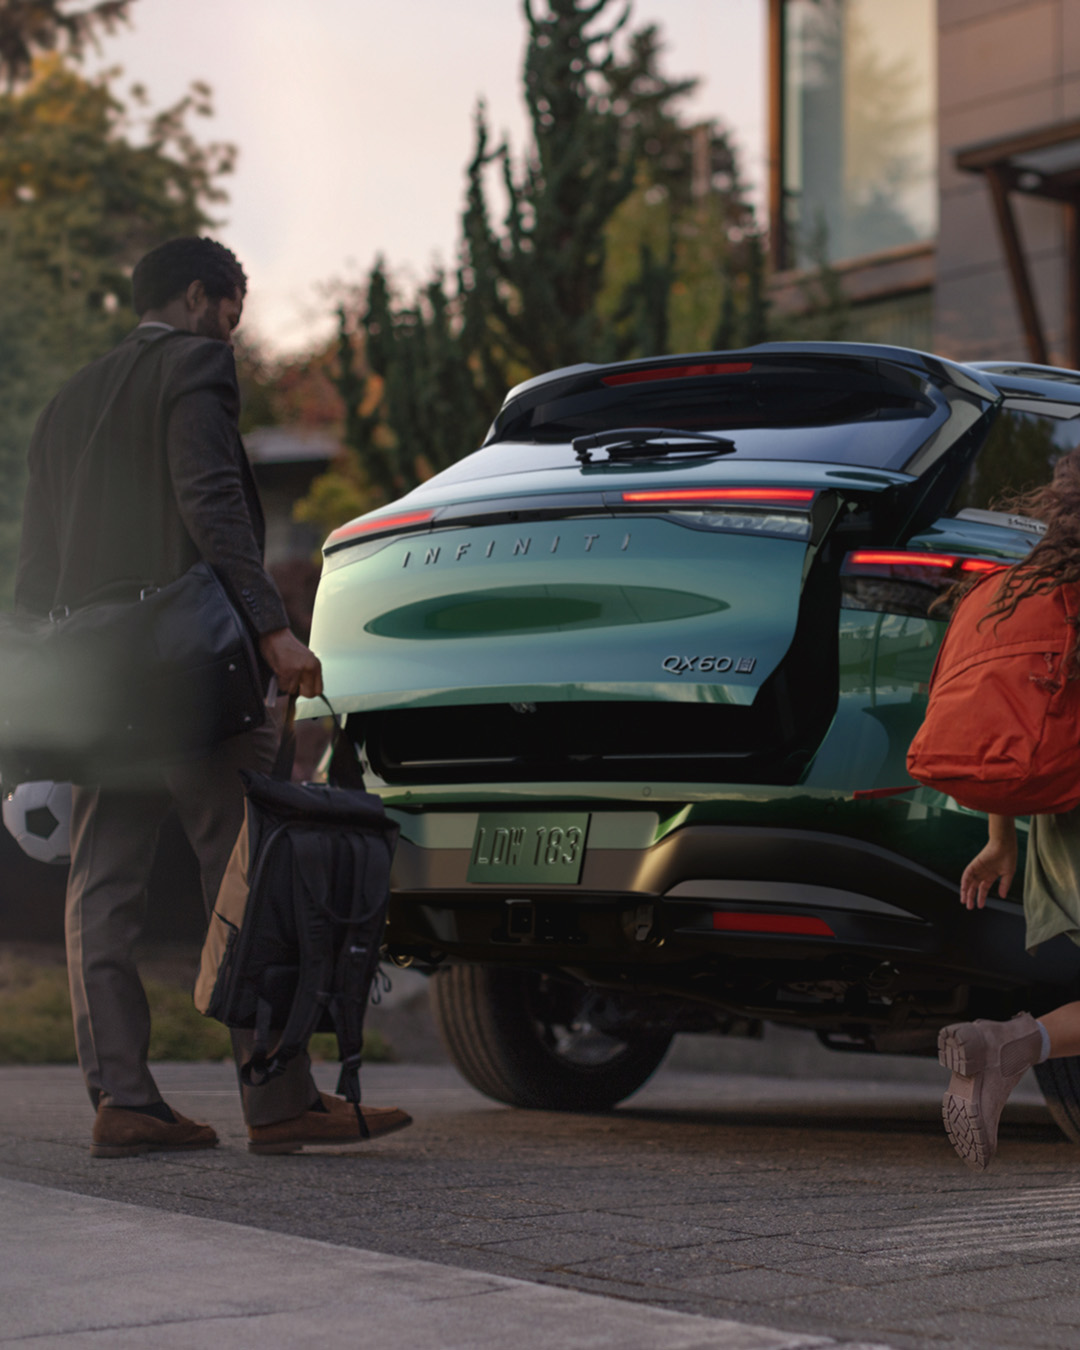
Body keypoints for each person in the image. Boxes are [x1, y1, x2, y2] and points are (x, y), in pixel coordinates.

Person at [15, 236, 411, 1157]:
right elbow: (210, 501)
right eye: (235, 306)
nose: (236, 327)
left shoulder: (66, 402)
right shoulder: (196, 366)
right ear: (202, 296)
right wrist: (274, 629)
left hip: (98, 685)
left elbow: (34, 570)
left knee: (100, 888)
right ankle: (278, 1101)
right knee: (248, 874)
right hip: (190, 676)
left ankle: (124, 1101)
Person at [939, 449, 1080, 1172]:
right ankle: (1011, 1046)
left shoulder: (1028, 588)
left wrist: (1002, 839)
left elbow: (1008, 722)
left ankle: (1009, 1046)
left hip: (1055, 824)